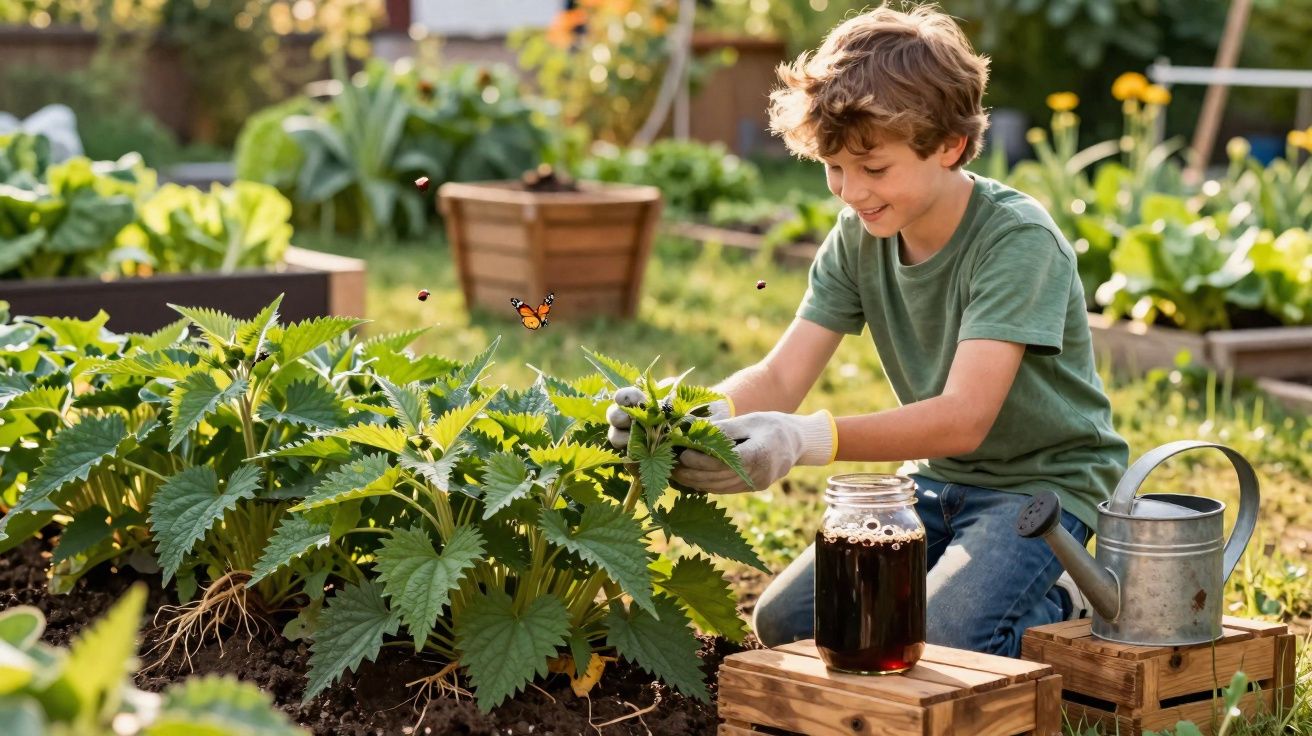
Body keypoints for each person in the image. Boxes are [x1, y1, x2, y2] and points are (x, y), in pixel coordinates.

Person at [606, 3, 1129, 659]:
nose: (851, 192)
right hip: (935, 483)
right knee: (793, 624)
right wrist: (693, 416)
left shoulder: (1016, 242)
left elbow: (965, 417)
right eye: (834, 168)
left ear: (950, 145)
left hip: (1043, 493)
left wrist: (804, 438)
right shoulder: (859, 236)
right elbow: (779, 376)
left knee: (939, 642)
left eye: (874, 169)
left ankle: (1070, 601)